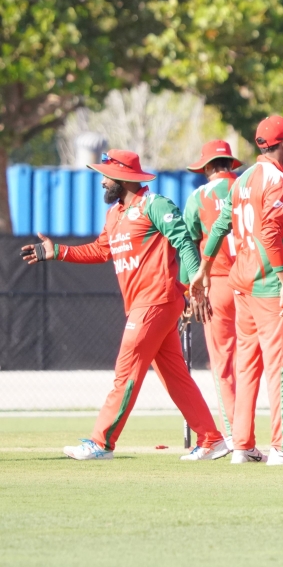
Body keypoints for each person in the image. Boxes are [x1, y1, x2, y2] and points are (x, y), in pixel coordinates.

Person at [20, 150, 224, 461]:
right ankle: (211, 439)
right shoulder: (115, 214)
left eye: (106, 175)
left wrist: (195, 284)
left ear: (124, 177)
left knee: (125, 371)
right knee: (175, 377)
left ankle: (101, 443)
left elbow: (184, 241)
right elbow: (101, 250)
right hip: (144, 304)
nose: (102, 181)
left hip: (156, 300)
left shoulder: (155, 204)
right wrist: (58, 251)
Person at [192, 115, 283, 466]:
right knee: (281, 368)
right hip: (268, 286)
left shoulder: (242, 179)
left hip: (241, 284)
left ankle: (242, 445)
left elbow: (220, 226)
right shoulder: (277, 180)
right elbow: (270, 233)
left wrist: (204, 267)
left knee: (246, 368)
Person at [182, 140, 242, 452]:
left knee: (224, 364)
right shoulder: (247, 187)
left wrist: (189, 290)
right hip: (252, 283)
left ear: (207, 167)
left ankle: (234, 435)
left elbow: (188, 245)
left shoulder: (199, 196)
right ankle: (276, 439)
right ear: (231, 164)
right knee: (256, 362)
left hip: (216, 284)